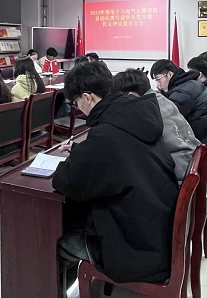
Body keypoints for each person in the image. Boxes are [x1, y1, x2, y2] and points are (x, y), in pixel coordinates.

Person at [53, 62, 178, 284]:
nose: (77, 108)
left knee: (58, 242)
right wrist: (84, 151)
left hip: (137, 250)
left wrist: (79, 156)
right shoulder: (136, 113)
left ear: (87, 97)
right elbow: (121, 155)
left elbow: (67, 181)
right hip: (160, 232)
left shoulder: (106, 133)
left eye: (76, 103)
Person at [112, 68, 200, 182]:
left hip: (180, 174)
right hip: (193, 161)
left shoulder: (146, 110)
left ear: (131, 95)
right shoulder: (161, 99)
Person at [150, 59, 207, 141]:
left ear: (170, 74)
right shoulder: (190, 83)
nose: (158, 84)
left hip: (197, 139)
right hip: (206, 132)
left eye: (158, 79)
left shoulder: (182, 92)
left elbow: (167, 119)